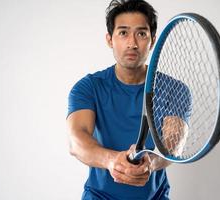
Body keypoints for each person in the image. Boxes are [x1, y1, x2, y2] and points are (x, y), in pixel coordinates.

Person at [67, 0, 173, 199]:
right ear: (109, 39)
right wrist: (112, 160)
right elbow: (76, 141)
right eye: (123, 32)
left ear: (152, 40)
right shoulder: (88, 87)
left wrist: (151, 162)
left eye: (141, 33)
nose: (132, 43)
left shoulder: (174, 90)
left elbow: (172, 146)